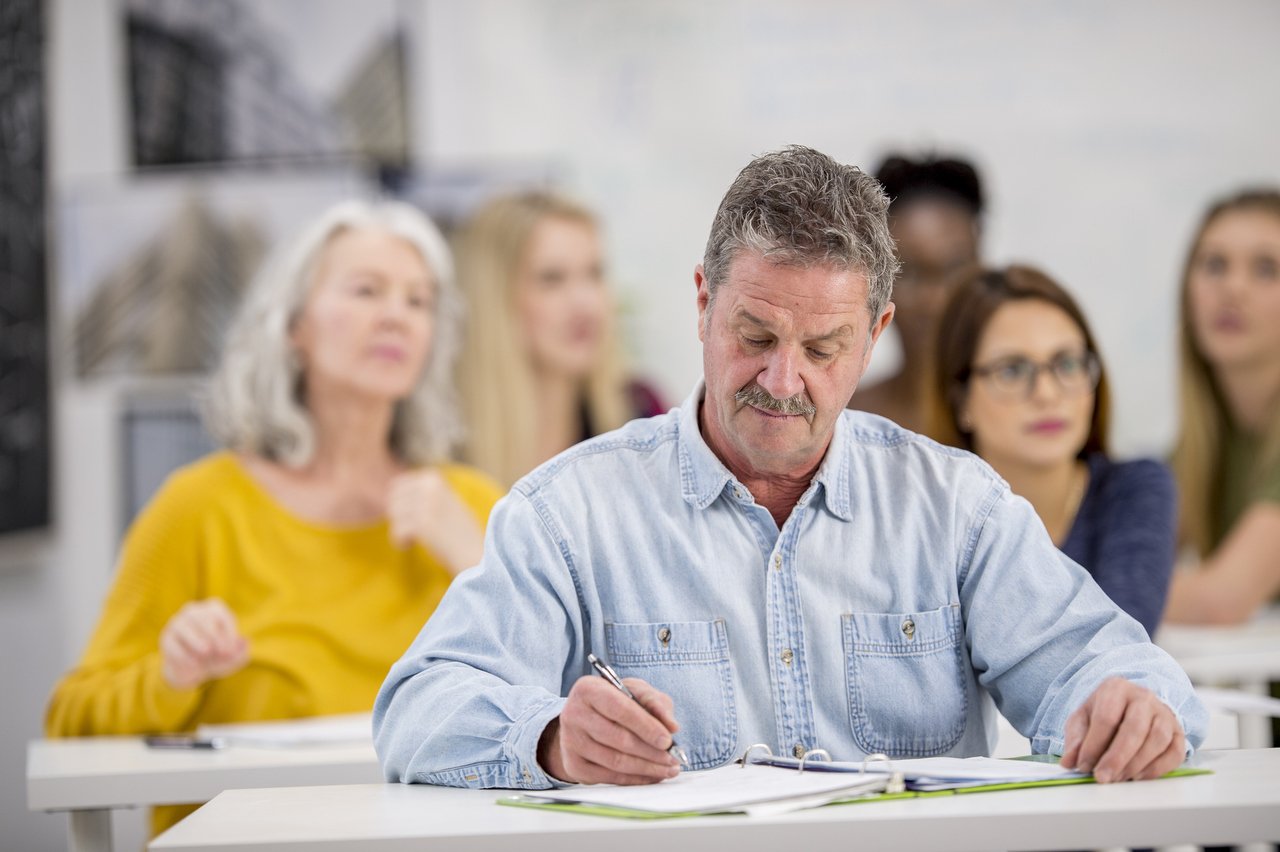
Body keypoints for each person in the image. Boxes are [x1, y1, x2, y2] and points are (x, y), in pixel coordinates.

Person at [374, 146, 1205, 793]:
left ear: (876, 332)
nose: (783, 381)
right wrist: (552, 738)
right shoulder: (571, 511)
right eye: (756, 337)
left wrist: (1131, 705)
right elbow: (420, 707)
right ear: (702, 302)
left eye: (822, 348)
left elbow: (1113, 668)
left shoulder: (957, 508)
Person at [46, 200, 503, 835]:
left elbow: (570, 712)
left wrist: (478, 562)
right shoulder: (199, 507)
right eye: (367, 290)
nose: (397, 315)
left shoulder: (475, 506)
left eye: (418, 301)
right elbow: (72, 717)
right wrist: (171, 676)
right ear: (294, 326)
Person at [928, 266, 1176, 636]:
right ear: (961, 401)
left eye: (1067, 364)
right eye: (1011, 370)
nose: (1046, 393)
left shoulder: (1133, 489)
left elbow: (1117, 648)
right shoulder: (925, 512)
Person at [454, 191, 666, 487]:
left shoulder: (644, 418)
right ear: (494, 298)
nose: (586, 304)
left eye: (594, 274)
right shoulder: (438, 442)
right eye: (552, 279)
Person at [1164, 189, 1280, 624]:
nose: (1233, 288)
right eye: (1215, 265)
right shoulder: (1199, 446)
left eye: (1266, 268)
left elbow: (1221, 600)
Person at [850, 153, 984, 432]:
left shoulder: (1019, 418)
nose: (933, 300)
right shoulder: (846, 419)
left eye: (954, 270)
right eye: (908, 273)